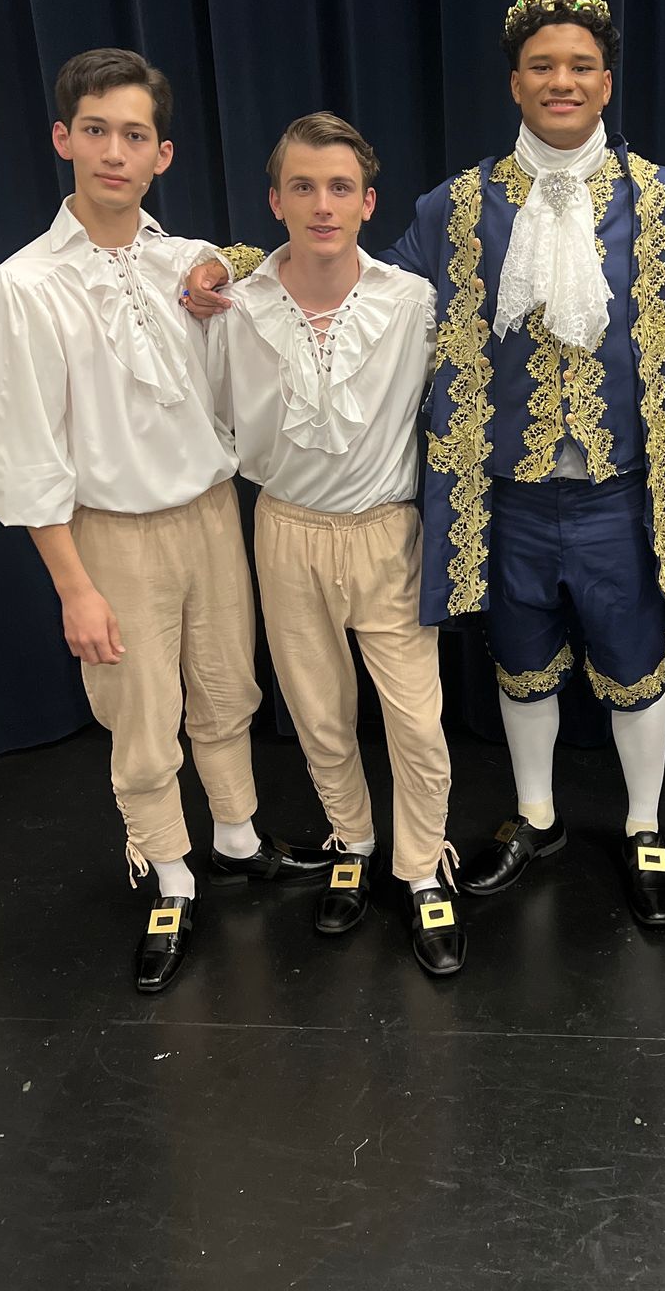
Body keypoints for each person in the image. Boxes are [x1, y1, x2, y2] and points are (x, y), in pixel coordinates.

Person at [186, 0, 665, 928]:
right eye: (543, 66)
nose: (563, 81)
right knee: (522, 662)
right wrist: (232, 263)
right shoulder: (454, 206)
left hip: (621, 491)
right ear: (515, 83)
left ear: (606, 83)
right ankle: (538, 815)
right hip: (506, 494)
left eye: (581, 66)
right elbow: (356, 274)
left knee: (637, 664)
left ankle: (642, 823)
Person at [0, 48, 331, 996]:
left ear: (162, 154)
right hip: (110, 532)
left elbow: (271, 284)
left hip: (209, 514)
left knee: (226, 686)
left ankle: (237, 837)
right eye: (95, 130)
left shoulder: (186, 265)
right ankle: (169, 872)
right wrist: (74, 587)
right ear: (63, 138)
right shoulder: (19, 287)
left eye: (135, 135)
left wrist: (220, 268)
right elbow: (23, 450)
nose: (113, 153)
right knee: (139, 713)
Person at [206, 113, 465, 976]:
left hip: (386, 532)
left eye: (341, 188)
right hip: (285, 528)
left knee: (416, 720)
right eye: (304, 187)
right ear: (275, 200)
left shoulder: (411, 301)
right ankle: (352, 839)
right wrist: (218, 268)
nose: (323, 204)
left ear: (368, 203)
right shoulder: (234, 305)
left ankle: (420, 866)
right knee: (319, 712)